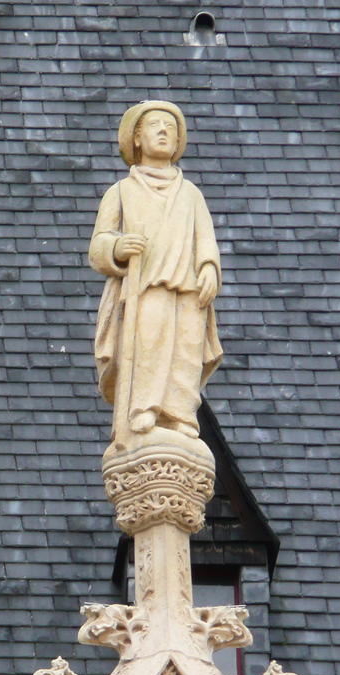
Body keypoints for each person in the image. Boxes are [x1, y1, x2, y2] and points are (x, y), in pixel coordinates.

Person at [88, 101, 222, 441]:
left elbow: (204, 238)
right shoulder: (121, 192)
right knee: (148, 344)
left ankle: (180, 413)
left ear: (178, 144)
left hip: (188, 290)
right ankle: (144, 405)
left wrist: (208, 267)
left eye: (171, 128)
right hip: (145, 289)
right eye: (155, 125)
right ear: (136, 139)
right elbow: (98, 245)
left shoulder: (191, 194)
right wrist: (116, 248)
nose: (164, 131)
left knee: (186, 349)